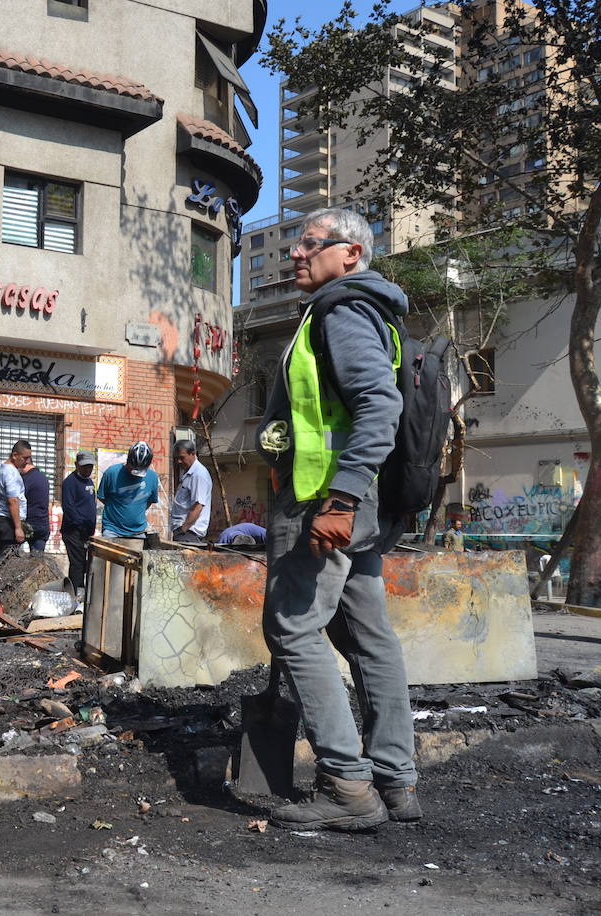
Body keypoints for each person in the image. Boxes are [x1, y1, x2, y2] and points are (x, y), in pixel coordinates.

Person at [255, 207, 419, 831]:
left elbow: (378, 405)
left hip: (325, 503)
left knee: (294, 629)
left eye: (309, 245)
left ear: (349, 253)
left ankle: (348, 786)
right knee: (368, 636)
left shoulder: (342, 310)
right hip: (354, 503)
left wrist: (340, 498)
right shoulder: (367, 310)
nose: (295, 254)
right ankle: (397, 782)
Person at [96, 442, 159, 539]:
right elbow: (102, 497)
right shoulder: (112, 473)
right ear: (128, 460)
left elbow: (150, 501)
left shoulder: (153, 477)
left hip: (138, 531)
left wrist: (135, 510)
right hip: (112, 530)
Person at [60, 451, 98, 594]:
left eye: (90, 467)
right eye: (85, 467)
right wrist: (80, 524)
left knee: (85, 564)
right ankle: (77, 593)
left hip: (86, 532)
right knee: (77, 563)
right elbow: (69, 508)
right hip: (74, 532)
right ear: (76, 465)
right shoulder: (70, 482)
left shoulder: (89, 481)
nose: (88, 470)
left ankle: (79, 591)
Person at [0, 440, 31, 561]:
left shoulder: (0, 469)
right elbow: (12, 500)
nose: (27, 461)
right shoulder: (11, 473)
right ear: (15, 455)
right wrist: (18, 527)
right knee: (8, 563)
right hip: (8, 523)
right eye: (25, 458)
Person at [170, 440, 212, 544]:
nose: (178, 461)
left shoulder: (198, 474)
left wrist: (182, 530)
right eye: (176, 458)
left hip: (189, 534)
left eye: (182, 457)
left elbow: (198, 506)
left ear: (193, 453)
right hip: (184, 532)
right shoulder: (188, 472)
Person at [20, 456, 51, 556]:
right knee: (37, 561)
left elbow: (17, 501)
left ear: (25, 464)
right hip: (42, 524)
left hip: (27, 525)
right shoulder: (43, 478)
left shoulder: (25, 479)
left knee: (11, 556)